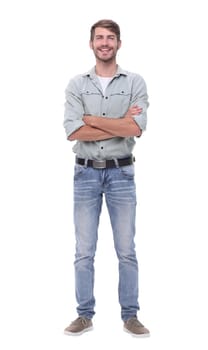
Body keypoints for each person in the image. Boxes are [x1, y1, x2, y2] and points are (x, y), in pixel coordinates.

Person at [63, 19, 150, 337]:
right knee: (84, 250)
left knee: (126, 249)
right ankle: (84, 314)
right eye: (99, 37)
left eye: (110, 38)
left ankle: (131, 315)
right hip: (85, 173)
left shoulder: (135, 82)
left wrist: (92, 119)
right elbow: (73, 131)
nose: (104, 42)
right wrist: (116, 122)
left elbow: (136, 128)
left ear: (118, 43)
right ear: (91, 44)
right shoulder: (76, 84)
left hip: (122, 174)